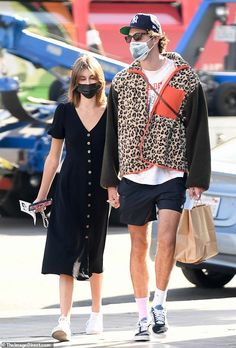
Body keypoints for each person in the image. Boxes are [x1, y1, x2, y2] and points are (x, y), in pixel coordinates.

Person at [101, 13, 211, 341]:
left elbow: (199, 131)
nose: (132, 41)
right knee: (138, 244)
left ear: (155, 37)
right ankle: (140, 315)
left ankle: (159, 304)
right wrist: (110, 181)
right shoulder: (122, 80)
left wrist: (197, 178)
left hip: (172, 172)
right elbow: (112, 131)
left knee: (166, 241)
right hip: (134, 173)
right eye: (129, 37)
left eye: (138, 35)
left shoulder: (185, 78)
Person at [34, 55, 109, 342]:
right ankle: (63, 319)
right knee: (66, 250)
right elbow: (54, 158)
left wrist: (115, 186)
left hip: (100, 190)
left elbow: (115, 155)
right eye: (82, 79)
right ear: (75, 82)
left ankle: (96, 314)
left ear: (100, 80)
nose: (87, 84)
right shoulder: (64, 111)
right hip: (68, 188)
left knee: (94, 249)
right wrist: (42, 196)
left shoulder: (110, 109)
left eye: (92, 79)